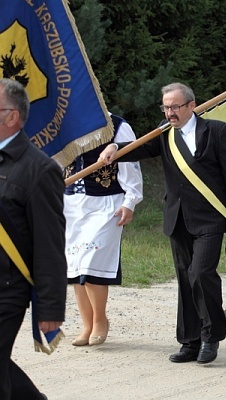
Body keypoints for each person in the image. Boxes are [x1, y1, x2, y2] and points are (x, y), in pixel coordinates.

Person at [98, 82, 226, 364]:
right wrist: (114, 148)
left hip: (210, 219)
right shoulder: (164, 132)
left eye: (175, 107)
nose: (170, 112)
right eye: (166, 107)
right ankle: (190, 341)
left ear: (191, 105)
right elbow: (138, 148)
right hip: (177, 219)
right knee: (184, 279)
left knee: (201, 274)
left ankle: (210, 336)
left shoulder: (216, 131)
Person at [0, 78, 67, 399]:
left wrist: (50, 307)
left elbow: (50, 244)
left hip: (7, 289)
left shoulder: (39, 170)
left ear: (11, 116)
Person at [64, 113, 143, 346]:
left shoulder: (116, 126)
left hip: (106, 203)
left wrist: (130, 200)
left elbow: (130, 161)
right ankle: (87, 324)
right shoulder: (63, 123)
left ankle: (100, 320)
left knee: (91, 260)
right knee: (76, 266)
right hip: (71, 204)